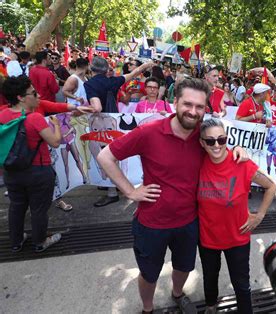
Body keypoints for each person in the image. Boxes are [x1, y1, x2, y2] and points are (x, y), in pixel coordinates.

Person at [96, 77, 248, 313]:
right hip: (152, 223)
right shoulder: (149, 132)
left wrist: (238, 149)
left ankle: (177, 294)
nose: (193, 111)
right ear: (175, 102)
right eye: (188, 104)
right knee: (149, 274)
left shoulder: (203, 136)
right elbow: (105, 157)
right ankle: (147, 308)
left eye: (199, 106)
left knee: (184, 267)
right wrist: (130, 191)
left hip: (189, 223)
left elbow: (221, 150)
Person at [197, 118, 276, 313]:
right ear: (202, 143)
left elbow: (271, 185)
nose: (216, 145)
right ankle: (210, 306)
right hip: (207, 238)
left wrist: (259, 216)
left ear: (226, 139)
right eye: (210, 141)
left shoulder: (241, 162)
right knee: (209, 276)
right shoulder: (197, 161)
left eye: (221, 139)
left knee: (241, 283)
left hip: (237, 237)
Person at [0, 76, 62, 252]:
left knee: (16, 206)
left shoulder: (2, 115)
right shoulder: (35, 118)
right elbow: (55, 142)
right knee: (39, 209)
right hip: (38, 172)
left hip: (11, 171)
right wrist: (56, 125)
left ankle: (16, 242)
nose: (38, 95)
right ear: (20, 97)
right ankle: (40, 242)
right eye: (34, 93)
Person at [85, 56, 153, 207]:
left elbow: (96, 107)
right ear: (105, 69)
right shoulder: (113, 81)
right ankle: (113, 186)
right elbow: (134, 73)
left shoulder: (90, 84)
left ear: (91, 68)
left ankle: (112, 192)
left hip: (99, 125)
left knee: (105, 157)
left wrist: (80, 109)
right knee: (114, 155)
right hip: (113, 122)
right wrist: (146, 65)